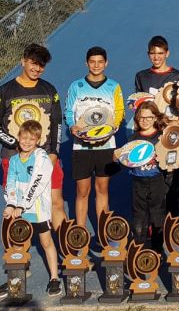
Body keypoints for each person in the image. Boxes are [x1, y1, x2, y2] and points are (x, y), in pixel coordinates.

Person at [0, 43, 65, 300]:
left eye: (41, 65)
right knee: (15, 213)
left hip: (46, 160)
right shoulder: (5, 91)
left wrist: (53, 152)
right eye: (33, 62)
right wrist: (17, 145)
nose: (36, 68)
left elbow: (57, 123)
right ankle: (17, 271)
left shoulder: (49, 90)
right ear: (23, 61)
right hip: (14, 160)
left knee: (55, 205)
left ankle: (67, 259)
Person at [65, 46, 124, 228]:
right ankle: (80, 235)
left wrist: (113, 126)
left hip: (105, 147)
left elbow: (119, 112)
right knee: (82, 191)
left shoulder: (114, 86)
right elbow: (68, 111)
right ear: (86, 63)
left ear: (106, 63)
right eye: (92, 62)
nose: (96, 65)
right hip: (81, 147)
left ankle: (103, 234)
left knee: (102, 189)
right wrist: (72, 126)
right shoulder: (76, 86)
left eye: (100, 62)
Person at [2, 120, 62, 297]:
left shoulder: (41, 157)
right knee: (18, 244)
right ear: (18, 137)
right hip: (20, 209)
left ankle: (54, 278)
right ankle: (16, 279)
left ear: (38, 139)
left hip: (37, 208)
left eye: (31, 139)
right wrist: (11, 204)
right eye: (24, 138)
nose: (27, 142)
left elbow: (37, 183)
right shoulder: (13, 160)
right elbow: (10, 183)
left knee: (46, 242)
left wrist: (22, 204)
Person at [133, 35, 179, 216]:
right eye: (153, 53)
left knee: (171, 183)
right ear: (148, 54)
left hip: (171, 137)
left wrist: (177, 122)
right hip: (148, 138)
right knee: (147, 184)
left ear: (167, 53)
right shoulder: (141, 77)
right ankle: (151, 230)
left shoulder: (178, 76)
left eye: (160, 53)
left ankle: (172, 226)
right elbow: (139, 108)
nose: (157, 57)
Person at [117, 101, 169, 252]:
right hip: (138, 181)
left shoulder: (162, 137)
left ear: (155, 118)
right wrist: (117, 158)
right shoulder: (133, 139)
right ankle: (139, 249)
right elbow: (125, 162)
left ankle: (158, 251)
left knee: (157, 215)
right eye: (141, 118)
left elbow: (169, 160)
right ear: (137, 119)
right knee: (139, 216)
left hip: (157, 181)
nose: (145, 120)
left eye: (149, 117)